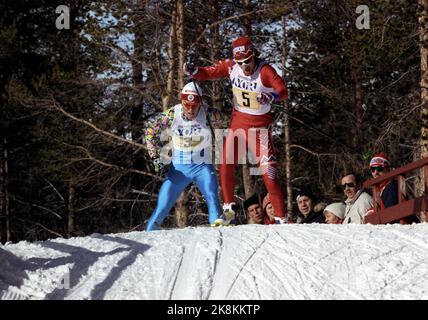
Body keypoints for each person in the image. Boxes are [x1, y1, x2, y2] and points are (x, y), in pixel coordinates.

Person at [183, 35, 288, 223]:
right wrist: (194, 70)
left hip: (259, 131)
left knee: (269, 175)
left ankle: (282, 217)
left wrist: (271, 96)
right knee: (225, 165)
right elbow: (207, 73)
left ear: (254, 55)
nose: (244, 66)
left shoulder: (265, 70)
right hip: (238, 125)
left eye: (247, 61)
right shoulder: (232, 66)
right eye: (240, 62)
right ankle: (229, 209)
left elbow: (283, 90)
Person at [145, 82, 226, 231]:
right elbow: (150, 131)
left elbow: (230, 124)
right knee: (162, 206)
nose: (190, 109)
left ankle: (219, 232)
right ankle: (148, 238)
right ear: (181, 101)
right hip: (179, 169)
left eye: (194, 105)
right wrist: (155, 157)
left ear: (201, 102)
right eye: (186, 104)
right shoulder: (171, 114)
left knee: (212, 196)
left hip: (202, 166)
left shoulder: (210, 113)